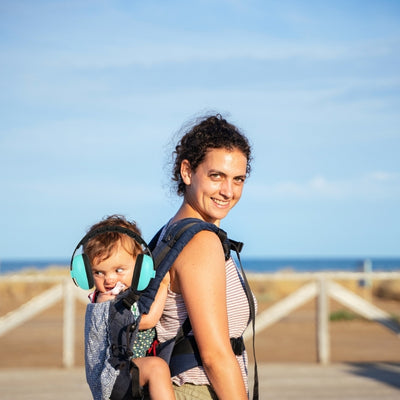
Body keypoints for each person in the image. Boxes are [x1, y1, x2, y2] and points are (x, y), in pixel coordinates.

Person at [155, 114, 257, 399]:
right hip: (198, 391)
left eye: (238, 179)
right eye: (216, 176)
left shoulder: (170, 232)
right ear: (187, 172)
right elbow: (214, 355)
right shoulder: (201, 241)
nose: (228, 191)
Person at [83, 215, 175, 400]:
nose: (109, 280)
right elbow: (147, 321)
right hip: (112, 374)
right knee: (157, 368)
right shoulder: (106, 300)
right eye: (99, 272)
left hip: (124, 368)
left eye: (118, 270)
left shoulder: (128, 295)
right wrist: (164, 286)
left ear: (141, 266)